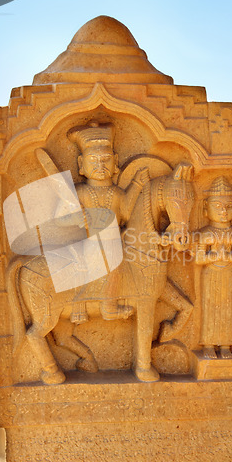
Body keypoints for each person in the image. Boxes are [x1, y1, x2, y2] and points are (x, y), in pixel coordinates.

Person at [59, 121, 149, 322]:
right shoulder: (80, 192)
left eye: (106, 159)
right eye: (93, 160)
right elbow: (61, 219)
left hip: (113, 242)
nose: (100, 165)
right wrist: (74, 217)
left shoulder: (116, 193)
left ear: (115, 161)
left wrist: (136, 184)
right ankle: (108, 307)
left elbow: (125, 212)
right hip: (90, 244)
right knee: (111, 263)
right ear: (81, 164)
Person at [195, 176, 232, 359]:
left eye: (228, 206)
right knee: (210, 308)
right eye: (217, 206)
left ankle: (225, 346)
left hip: (229, 274)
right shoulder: (206, 234)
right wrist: (216, 256)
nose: (223, 211)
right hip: (210, 274)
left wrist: (229, 256)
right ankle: (208, 345)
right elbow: (199, 259)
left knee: (227, 309)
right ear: (206, 209)